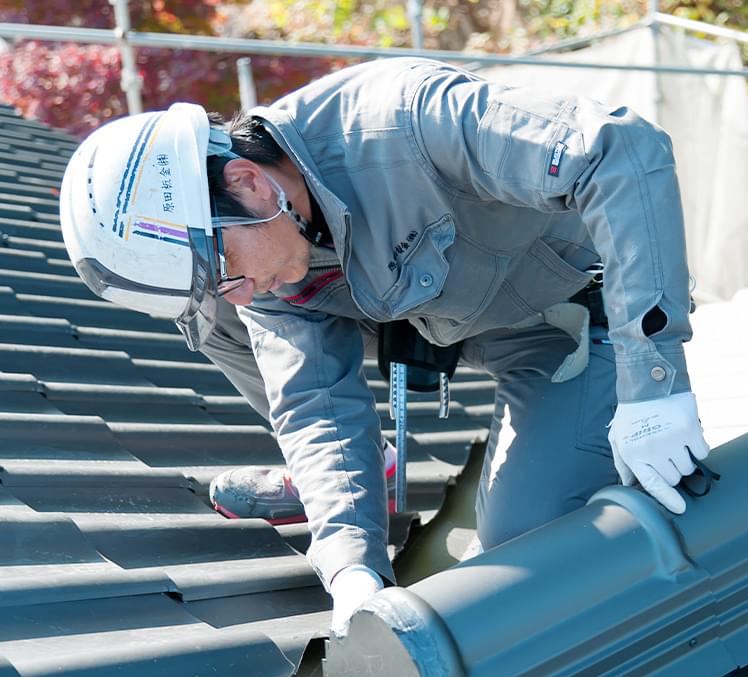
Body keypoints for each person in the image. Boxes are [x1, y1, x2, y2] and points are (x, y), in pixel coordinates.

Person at [58, 57, 711, 635]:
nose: (233, 290)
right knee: (216, 320)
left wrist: (653, 383)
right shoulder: (257, 260)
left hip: (556, 315)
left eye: (222, 264)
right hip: (426, 317)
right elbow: (314, 399)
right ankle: (364, 466)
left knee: (525, 543)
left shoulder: (404, 121)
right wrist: (351, 569)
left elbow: (621, 152)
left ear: (248, 185)